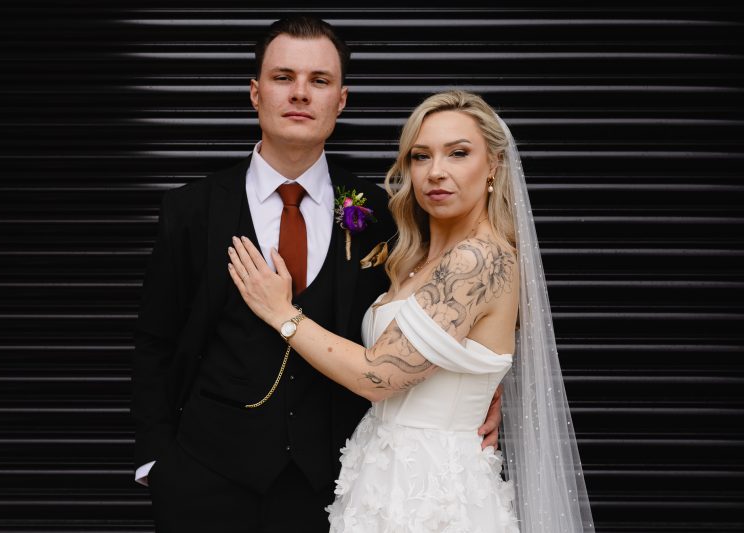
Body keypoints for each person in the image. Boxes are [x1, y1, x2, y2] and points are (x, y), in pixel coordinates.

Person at [131, 17, 503, 532]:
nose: (301, 93)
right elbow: (155, 343)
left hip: (333, 486)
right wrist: (159, 466)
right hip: (205, 482)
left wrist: (483, 391)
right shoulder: (190, 210)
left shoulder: (386, 212)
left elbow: (448, 314)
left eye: (320, 81)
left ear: (341, 100)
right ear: (255, 93)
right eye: (284, 77)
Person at [229, 90, 595, 532]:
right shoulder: (412, 257)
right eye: (421, 157)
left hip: (436, 492)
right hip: (381, 473)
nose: (436, 172)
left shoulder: (479, 259)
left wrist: (282, 313)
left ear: (494, 164)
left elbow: (377, 376)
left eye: (458, 153)